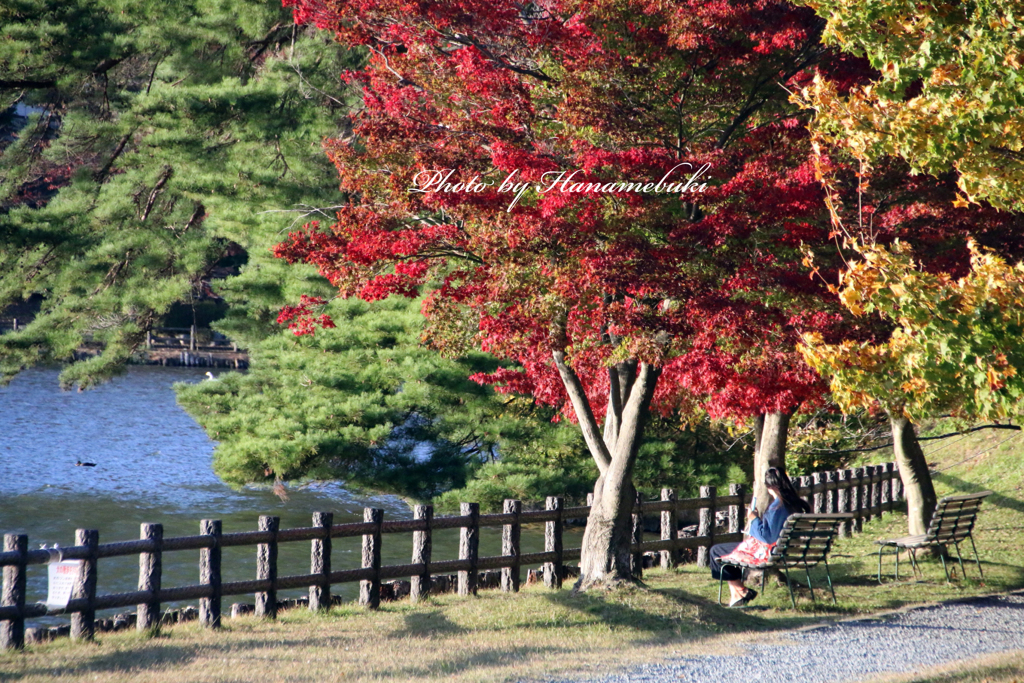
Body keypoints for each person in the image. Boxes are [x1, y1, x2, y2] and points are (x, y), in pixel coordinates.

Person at [709, 467, 810, 607]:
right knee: (724, 551)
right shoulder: (795, 505)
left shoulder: (777, 507)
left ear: (770, 487)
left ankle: (740, 592)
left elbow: (767, 538)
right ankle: (738, 595)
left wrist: (754, 519)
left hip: (769, 553)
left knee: (716, 550)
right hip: (788, 551)